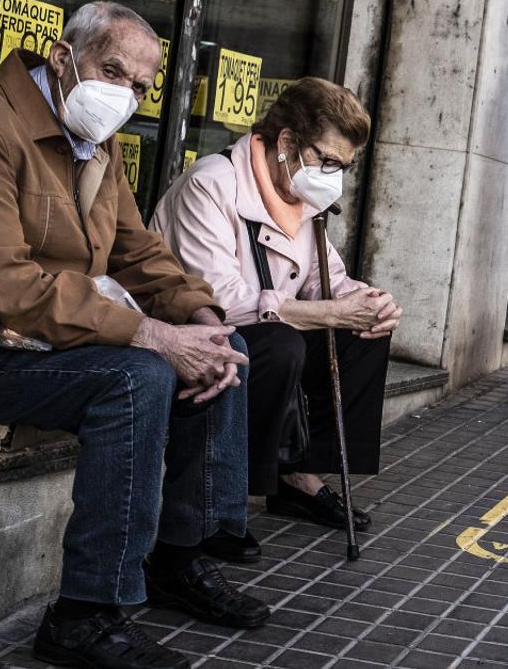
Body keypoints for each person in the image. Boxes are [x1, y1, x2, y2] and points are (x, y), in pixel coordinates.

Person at [0, 2, 272, 669]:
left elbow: (137, 251)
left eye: (139, 86)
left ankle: (180, 557)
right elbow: (1, 282)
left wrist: (201, 317)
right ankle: (85, 615)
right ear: (64, 59)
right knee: (138, 374)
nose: (122, 94)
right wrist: (149, 333)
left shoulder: (95, 134)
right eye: (110, 70)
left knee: (224, 349)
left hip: (47, 342)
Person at [151, 78, 400, 556]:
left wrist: (367, 302)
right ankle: (225, 500)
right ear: (287, 142)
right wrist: (326, 311)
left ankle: (297, 475)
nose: (333, 176)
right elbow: (217, 298)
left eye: (344, 167)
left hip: (263, 327)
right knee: (278, 344)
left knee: (363, 334)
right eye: (327, 161)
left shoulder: (302, 200)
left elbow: (326, 280)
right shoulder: (213, 182)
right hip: (195, 331)